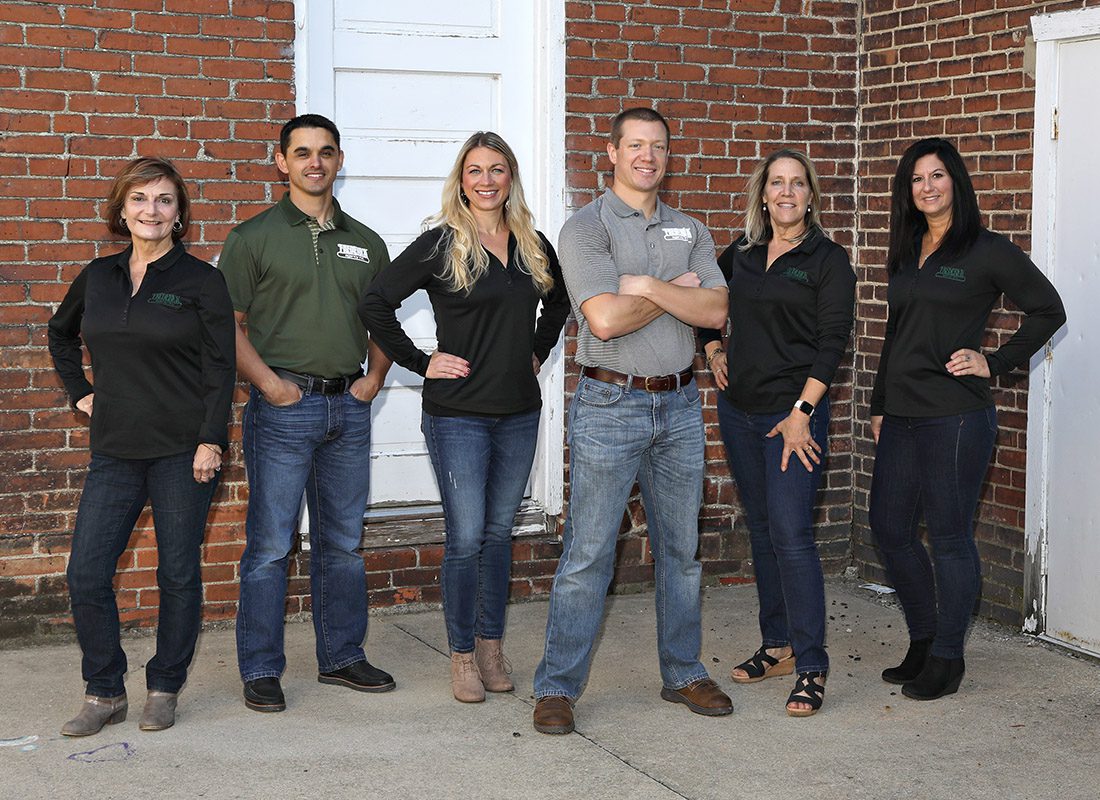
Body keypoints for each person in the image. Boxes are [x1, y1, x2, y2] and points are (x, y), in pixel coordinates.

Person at [532, 107, 731, 735]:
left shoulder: (690, 227)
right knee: (589, 552)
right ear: (612, 153)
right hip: (609, 406)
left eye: (660, 147)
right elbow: (604, 321)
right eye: (636, 145)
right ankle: (557, 687)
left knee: (682, 551)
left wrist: (642, 286)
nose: (649, 156)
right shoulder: (584, 228)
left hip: (678, 406)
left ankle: (684, 673)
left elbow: (717, 309)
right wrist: (674, 288)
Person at [360, 132, 570, 703]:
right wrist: (420, 361)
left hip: (518, 412)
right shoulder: (441, 244)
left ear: (511, 178)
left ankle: (490, 644)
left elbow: (560, 303)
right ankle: (460, 655)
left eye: (496, 170)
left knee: (499, 534)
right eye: (474, 170)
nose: (485, 180)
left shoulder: (530, 243)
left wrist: (537, 350)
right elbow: (375, 301)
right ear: (461, 180)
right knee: (466, 536)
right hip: (457, 416)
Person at [869, 137, 1066, 700]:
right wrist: (880, 404)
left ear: (955, 181)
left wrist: (995, 361)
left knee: (951, 538)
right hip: (902, 414)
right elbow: (896, 335)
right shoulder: (907, 248)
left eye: (937, 176)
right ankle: (926, 638)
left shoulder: (984, 249)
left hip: (956, 417)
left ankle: (949, 658)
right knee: (890, 529)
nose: (927, 187)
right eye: (916, 179)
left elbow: (1048, 308)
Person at [48, 157, 235, 735]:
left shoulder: (201, 281)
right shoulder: (98, 278)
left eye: (163, 201)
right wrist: (81, 392)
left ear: (178, 215)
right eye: (139, 200)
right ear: (121, 209)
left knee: (177, 573)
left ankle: (163, 686)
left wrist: (211, 441)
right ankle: (104, 691)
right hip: (115, 449)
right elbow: (60, 334)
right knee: (86, 573)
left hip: (183, 451)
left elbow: (220, 368)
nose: (150, 211)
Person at [219, 114, 394, 713]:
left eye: (325, 152)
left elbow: (384, 322)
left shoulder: (367, 242)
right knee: (270, 545)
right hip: (284, 409)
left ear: (339, 160)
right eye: (302, 153)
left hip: (348, 408)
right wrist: (269, 384)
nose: (314, 163)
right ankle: (262, 668)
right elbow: (227, 327)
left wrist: (372, 380)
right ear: (281, 162)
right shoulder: (253, 237)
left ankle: (342, 657)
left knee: (343, 543)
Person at [700, 149, 855, 717]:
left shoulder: (827, 259)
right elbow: (706, 306)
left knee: (792, 535)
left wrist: (803, 413)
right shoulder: (740, 254)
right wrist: (713, 347)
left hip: (794, 419)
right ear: (762, 195)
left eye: (797, 184)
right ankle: (778, 643)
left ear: (810, 195)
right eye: (776, 184)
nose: (786, 193)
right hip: (739, 414)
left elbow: (832, 342)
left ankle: (812, 666)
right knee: (763, 532)